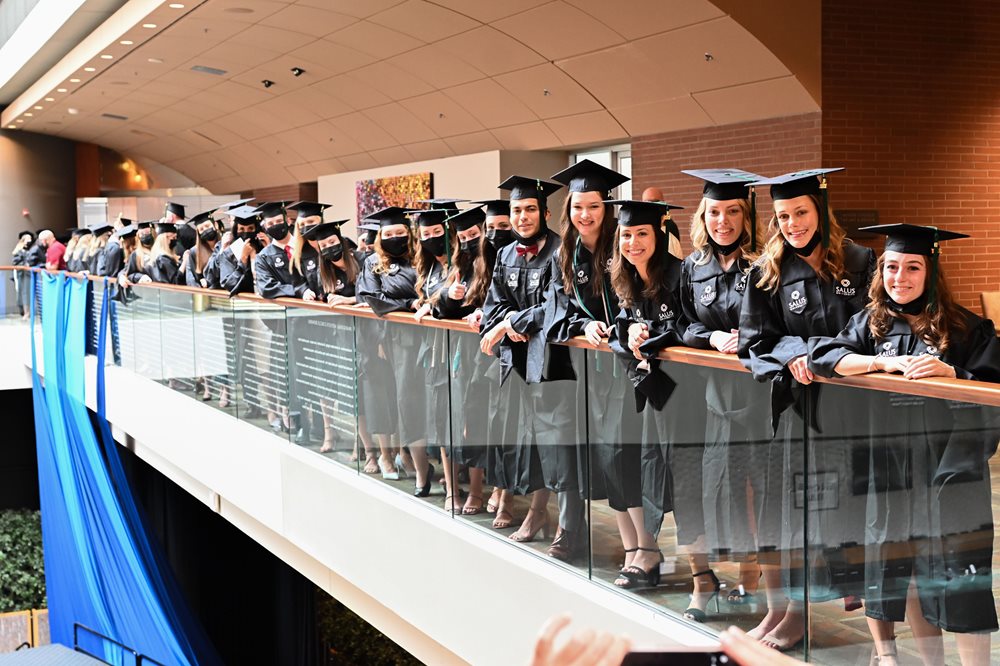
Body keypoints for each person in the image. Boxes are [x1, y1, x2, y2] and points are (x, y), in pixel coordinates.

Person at [809, 223, 1000, 666]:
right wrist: (879, 361)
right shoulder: (871, 324)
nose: (900, 277)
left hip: (949, 471)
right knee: (901, 568)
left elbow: (994, 387)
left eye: (912, 267)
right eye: (891, 267)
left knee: (962, 574)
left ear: (931, 273)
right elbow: (825, 356)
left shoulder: (966, 329)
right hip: (888, 468)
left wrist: (955, 376)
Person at [738, 168, 875, 651]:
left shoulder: (860, 261)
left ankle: (851, 615)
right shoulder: (767, 272)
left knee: (843, 510)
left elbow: (874, 325)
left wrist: (821, 354)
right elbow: (755, 341)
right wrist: (793, 352)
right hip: (799, 407)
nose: (793, 223)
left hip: (854, 408)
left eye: (801, 212)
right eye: (783, 215)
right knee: (794, 511)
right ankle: (794, 613)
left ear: (820, 210)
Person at [677, 169, 766, 618]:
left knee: (751, 489)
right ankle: (705, 577)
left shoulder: (766, 264)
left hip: (757, 396)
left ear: (747, 216)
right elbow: (682, 323)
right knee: (705, 486)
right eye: (715, 212)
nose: (723, 221)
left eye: (733, 211)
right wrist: (710, 339)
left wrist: (748, 339)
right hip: (709, 397)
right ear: (703, 215)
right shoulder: (694, 267)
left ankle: (749, 582)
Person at [545, 159, 638, 564]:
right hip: (592, 374)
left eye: (594, 206)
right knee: (606, 456)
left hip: (629, 369)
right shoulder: (565, 253)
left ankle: (645, 549)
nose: (585, 215)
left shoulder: (625, 244)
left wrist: (616, 327)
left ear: (607, 208)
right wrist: (584, 325)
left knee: (626, 455)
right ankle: (633, 547)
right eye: (578, 207)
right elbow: (559, 309)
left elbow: (643, 299)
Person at [480, 175, 578, 551]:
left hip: (554, 366)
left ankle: (569, 527)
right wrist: (508, 321)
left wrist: (511, 322)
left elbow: (557, 306)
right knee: (530, 443)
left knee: (560, 446)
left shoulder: (559, 252)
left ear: (546, 213)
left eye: (529, 210)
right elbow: (495, 302)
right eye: (516, 210)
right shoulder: (505, 255)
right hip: (518, 364)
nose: (522, 217)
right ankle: (537, 511)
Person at [607, 199, 685, 591]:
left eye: (642, 233)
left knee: (679, 477)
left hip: (682, 394)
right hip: (649, 389)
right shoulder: (629, 281)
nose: (633, 242)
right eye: (626, 234)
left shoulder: (679, 277)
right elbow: (619, 328)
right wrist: (630, 334)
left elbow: (693, 328)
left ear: (659, 235)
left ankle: (702, 575)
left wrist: (652, 338)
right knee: (636, 463)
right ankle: (645, 550)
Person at [431, 204, 491, 513]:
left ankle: (477, 490)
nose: (469, 239)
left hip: (483, 353)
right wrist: (448, 296)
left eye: (474, 233)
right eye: (464, 235)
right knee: (451, 417)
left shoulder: (492, 261)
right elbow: (444, 308)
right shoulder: (461, 264)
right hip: (456, 352)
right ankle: (455, 488)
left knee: (476, 420)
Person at [356, 206, 422, 480]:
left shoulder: (420, 258)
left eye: (400, 232)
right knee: (389, 397)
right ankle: (390, 453)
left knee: (413, 398)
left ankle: (408, 452)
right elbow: (373, 299)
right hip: (384, 339)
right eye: (389, 233)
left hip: (420, 339)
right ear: (380, 236)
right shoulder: (373, 262)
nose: (395, 237)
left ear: (409, 233)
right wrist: (410, 303)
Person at [641, 187, 683, 259]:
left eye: (655, 202)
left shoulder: (668, 228)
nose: (650, 206)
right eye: (646, 203)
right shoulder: (640, 226)